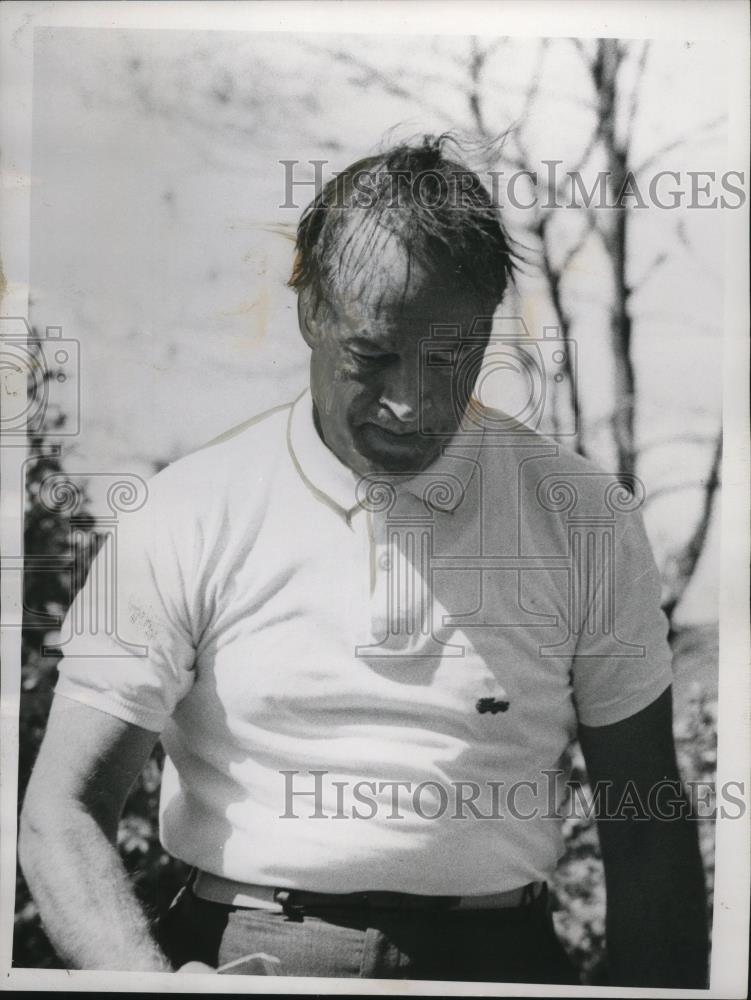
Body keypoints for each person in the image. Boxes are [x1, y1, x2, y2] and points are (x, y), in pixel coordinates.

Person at [19, 135, 708, 986]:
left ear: (492, 322)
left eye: (450, 360)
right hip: (246, 957)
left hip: (501, 963)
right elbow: (61, 810)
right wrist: (146, 984)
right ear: (310, 310)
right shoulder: (187, 511)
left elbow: (645, 820)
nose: (410, 404)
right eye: (371, 356)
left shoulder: (586, 520)